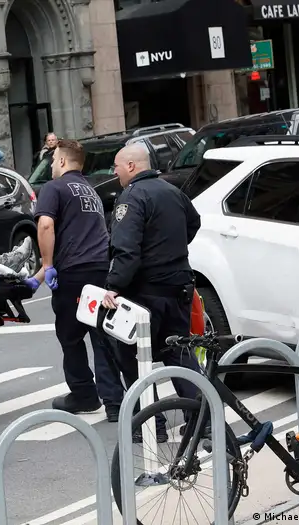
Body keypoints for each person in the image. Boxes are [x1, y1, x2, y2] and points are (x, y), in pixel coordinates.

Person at [103, 143, 203, 432]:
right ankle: (200, 421)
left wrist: (114, 286)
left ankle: (151, 424)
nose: (115, 172)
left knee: (132, 356)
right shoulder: (173, 191)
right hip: (179, 286)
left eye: (117, 166)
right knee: (178, 353)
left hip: (146, 292)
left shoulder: (131, 198)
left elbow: (126, 251)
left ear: (132, 166)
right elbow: (193, 224)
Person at [29, 139, 126, 422]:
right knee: (101, 335)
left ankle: (84, 393)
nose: (50, 165)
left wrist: (46, 266)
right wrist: (37, 277)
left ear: (61, 161)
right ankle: (114, 402)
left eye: (53, 159)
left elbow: (46, 225)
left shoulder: (53, 188)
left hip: (74, 274)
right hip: (99, 269)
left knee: (70, 336)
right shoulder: (90, 191)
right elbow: (77, 237)